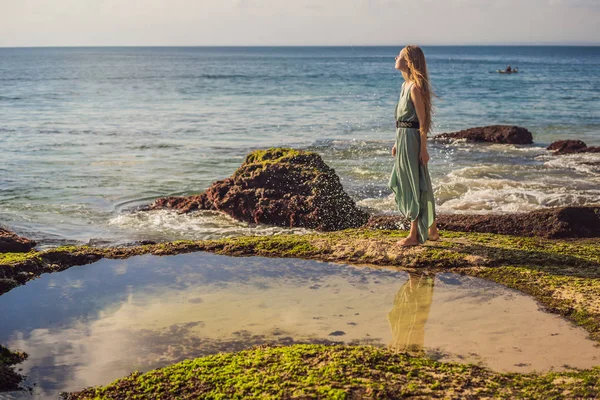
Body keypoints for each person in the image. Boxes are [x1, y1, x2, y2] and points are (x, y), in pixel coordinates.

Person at [390, 45, 439, 246]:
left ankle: (414, 235)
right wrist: (396, 142)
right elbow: (402, 120)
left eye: (400, 56)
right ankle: (432, 230)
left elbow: (422, 122)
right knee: (412, 181)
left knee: (414, 183)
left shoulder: (415, 88)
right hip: (403, 138)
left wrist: (423, 149)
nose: (396, 57)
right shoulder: (404, 86)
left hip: (412, 140)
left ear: (408, 62)